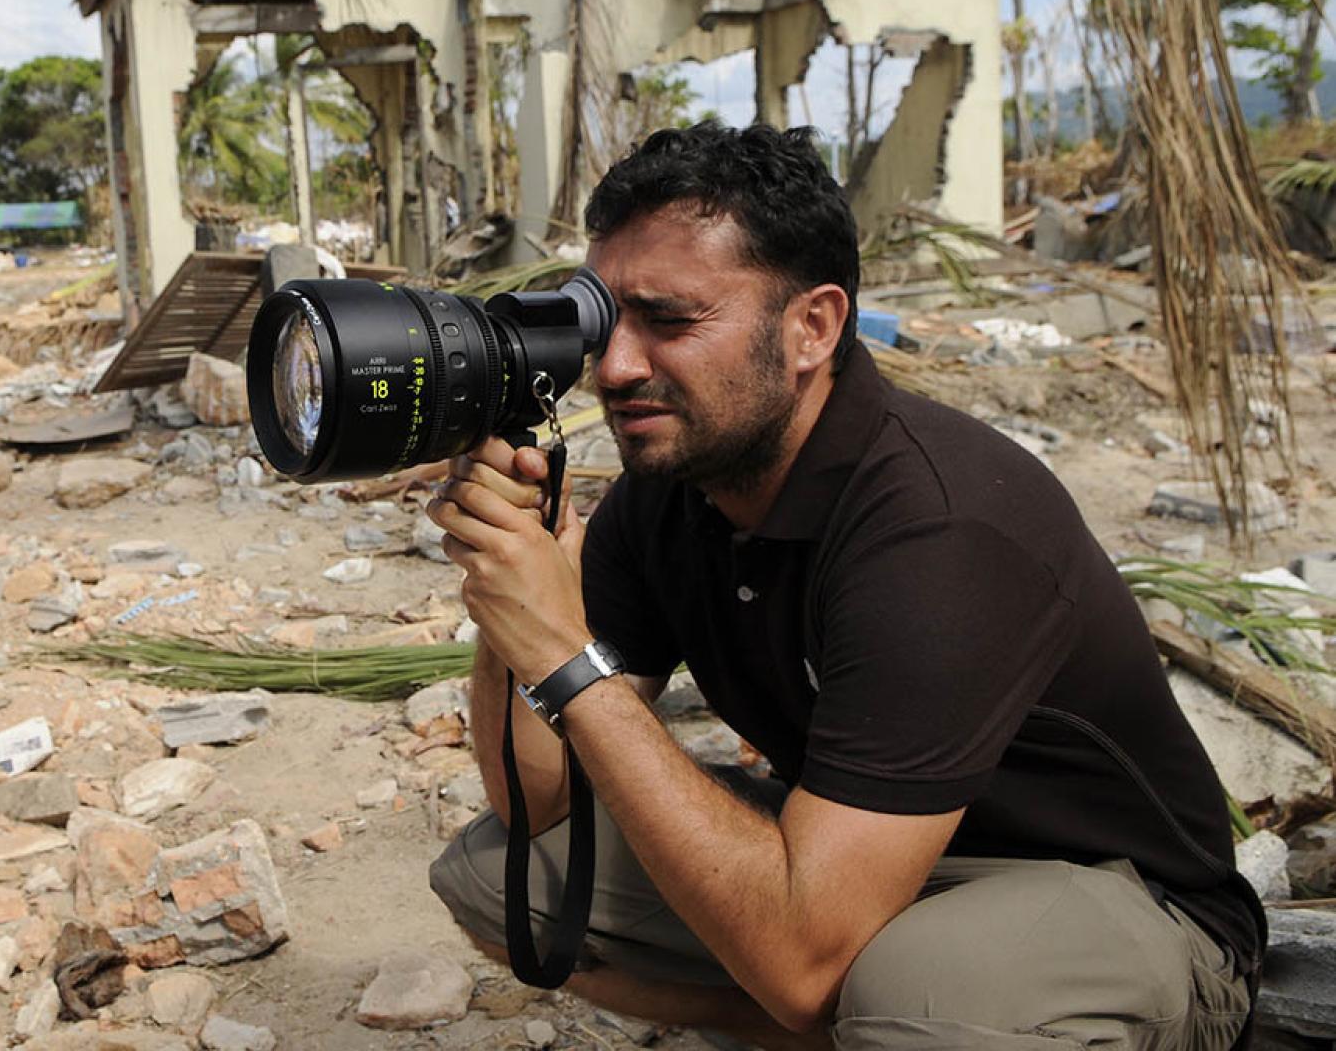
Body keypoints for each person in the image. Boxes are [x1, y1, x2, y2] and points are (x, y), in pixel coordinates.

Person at [423, 121, 1264, 1050]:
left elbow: (803, 964)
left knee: (912, 995)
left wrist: (565, 657)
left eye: (669, 321)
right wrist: (508, 602)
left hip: (1123, 908)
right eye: (605, 319)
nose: (617, 367)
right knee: (503, 876)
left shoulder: (938, 530)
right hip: (866, 858)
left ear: (812, 328)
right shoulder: (674, 488)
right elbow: (534, 801)